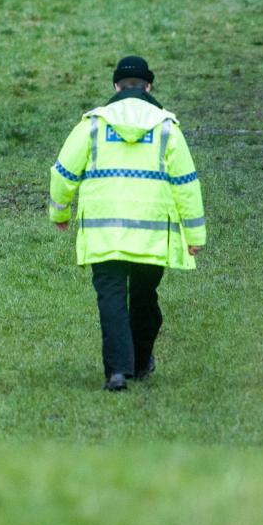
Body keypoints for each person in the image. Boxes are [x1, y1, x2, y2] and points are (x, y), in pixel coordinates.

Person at [48, 56, 206, 391]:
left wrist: (59, 214)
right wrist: (195, 235)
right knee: (146, 296)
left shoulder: (92, 124)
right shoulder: (167, 128)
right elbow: (187, 185)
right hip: (152, 235)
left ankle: (117, 371)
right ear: (149, 87)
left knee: (112, 297)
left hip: (104, 232)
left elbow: (63, 173)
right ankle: (141, 361)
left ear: (116, 86)